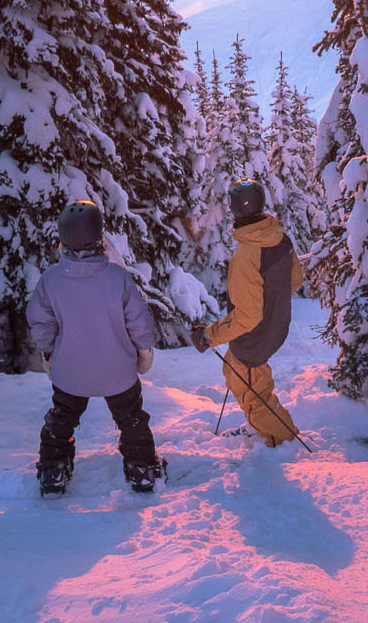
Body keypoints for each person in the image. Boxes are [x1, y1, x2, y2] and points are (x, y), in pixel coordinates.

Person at [27, 200, 165, 496]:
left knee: (61, 419)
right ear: (98, 235)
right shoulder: (118, 278)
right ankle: (141, 469)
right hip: (118, 371)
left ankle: (52, 471)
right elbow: (140, 322)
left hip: (70, 371)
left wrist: (49, 352)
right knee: (131, 418)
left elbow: (40, 322)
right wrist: (144, 351)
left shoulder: (51, 280)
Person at [191, 179, 304, 447]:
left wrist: (208, 336)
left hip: (255, 335)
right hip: (274, 325)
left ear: (234, 210)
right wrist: (272, 302)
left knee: (253, 393)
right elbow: (295, 277)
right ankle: (259, 427)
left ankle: (284, 440)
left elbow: (248, 317)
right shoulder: (279, 237)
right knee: (234, 369)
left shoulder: (247, 254)